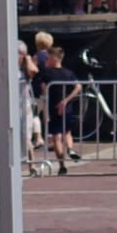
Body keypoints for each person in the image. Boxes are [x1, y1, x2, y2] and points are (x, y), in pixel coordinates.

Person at [36, 45, 81, 175]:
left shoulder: (47, 74)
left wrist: (45, 110)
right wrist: (66, 100)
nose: (46, 61)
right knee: (67, 132)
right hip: (66, 107)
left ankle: (62, 164)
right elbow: (78, 87)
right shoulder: (68, 73)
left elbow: (44, 92)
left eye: (48, 58)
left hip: (53, 107)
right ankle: (71, 149)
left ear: (54, 58)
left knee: (56, 136)